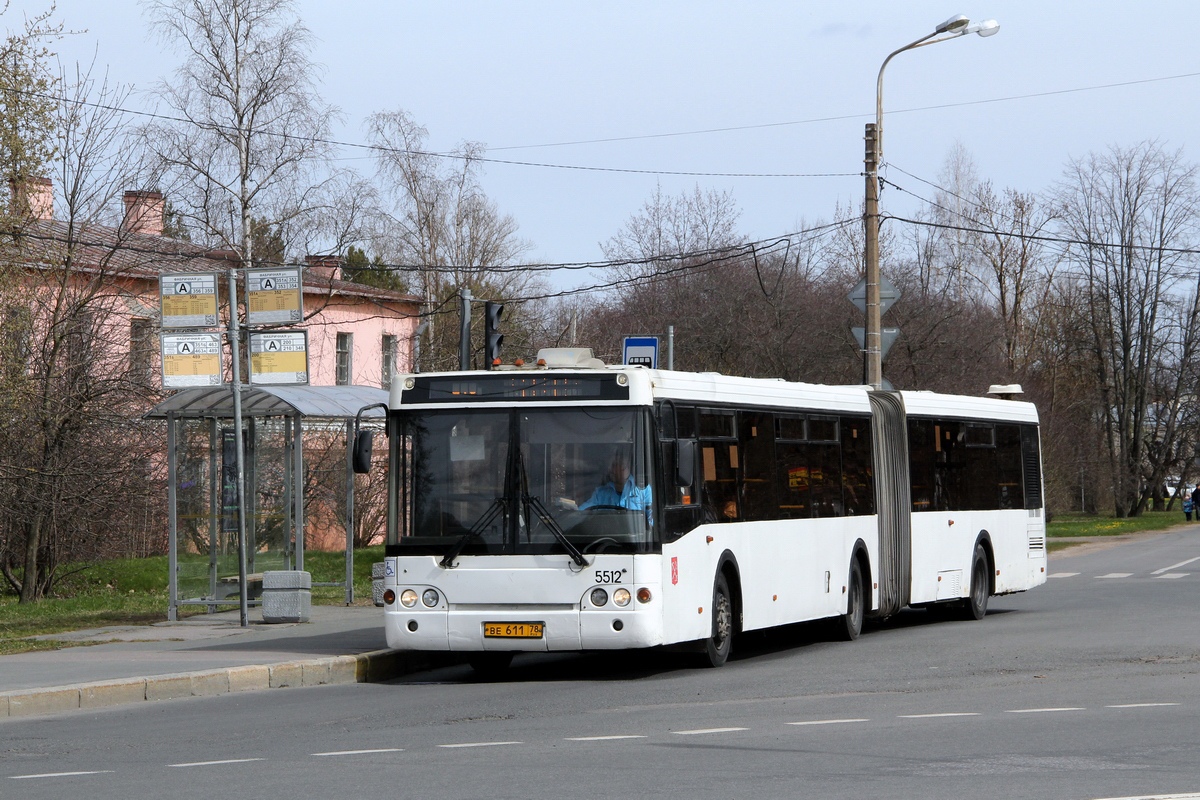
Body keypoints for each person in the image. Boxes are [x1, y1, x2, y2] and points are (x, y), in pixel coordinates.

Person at [579, 449, 653, 523]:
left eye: (615, 465)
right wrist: (570, 511)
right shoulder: (600, 493)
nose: (611, 470)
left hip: (637, 533)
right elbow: (581, 512)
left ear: (628, 467)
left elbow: (652, 522)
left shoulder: (644, 490)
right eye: (611, 466)